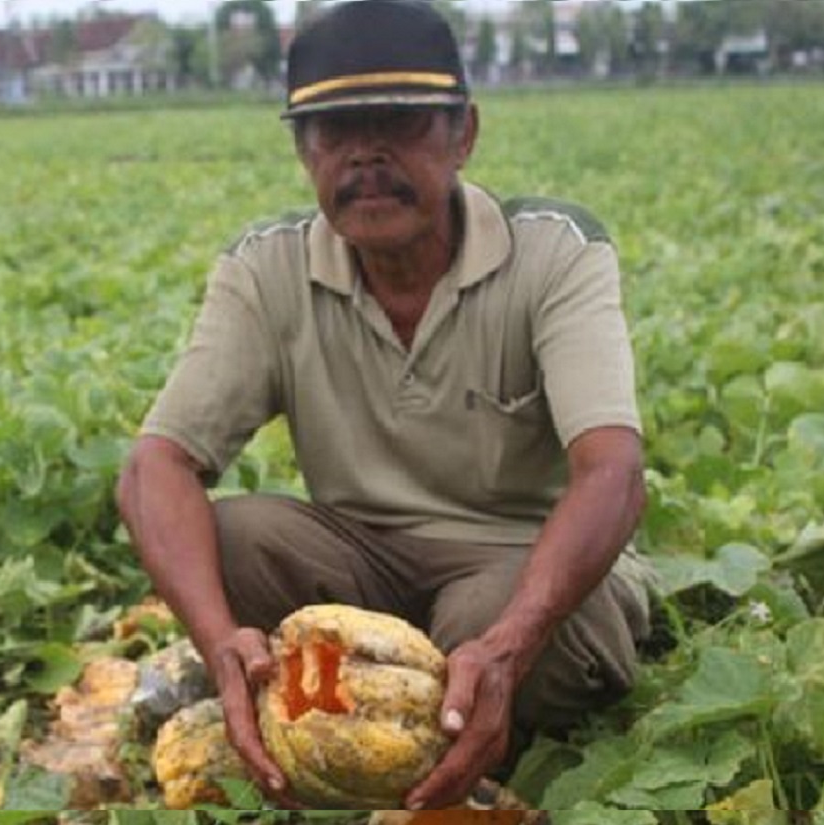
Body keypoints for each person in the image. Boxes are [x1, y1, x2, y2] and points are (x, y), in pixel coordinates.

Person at [117, 0, 653, 811]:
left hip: (516, 564)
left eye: (398, 123)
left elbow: (612, 470)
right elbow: (155, 467)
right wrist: (219, 639)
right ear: (303, 151)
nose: (365, 153)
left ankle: (482, 691)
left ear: (463, 133)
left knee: (480, 616)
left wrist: (507, 645)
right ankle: (313, 686)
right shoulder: (268, 270)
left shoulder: (553, 252)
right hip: (361, 565)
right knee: (228, 538)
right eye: (334, 131)